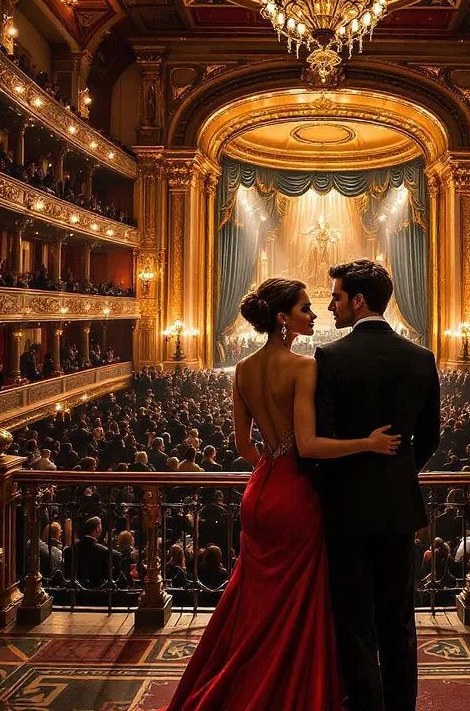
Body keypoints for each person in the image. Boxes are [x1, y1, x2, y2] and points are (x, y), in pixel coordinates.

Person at [167, 277, 400, 711]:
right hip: (294, 495)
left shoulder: (243, 369)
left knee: (257, 599)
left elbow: (241, 445)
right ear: (282, 319)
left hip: (261, 491)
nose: (314, 315)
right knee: (294, 602)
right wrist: (366, 444)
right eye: (305, 309)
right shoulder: (303, 367)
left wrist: (269, 463)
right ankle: (286, 687)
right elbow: (309, 446)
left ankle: (248, 677)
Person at [312, 259, 440, 711]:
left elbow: (321, 437)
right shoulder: (421, 357)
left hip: (346, 507)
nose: (332, 306)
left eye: (338, 297)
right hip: (399, 506)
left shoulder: (331, 357)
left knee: (355, 620)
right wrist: (396, 470)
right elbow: (430, 439)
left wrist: (348, 476)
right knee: (399, 618)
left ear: (359, 300)